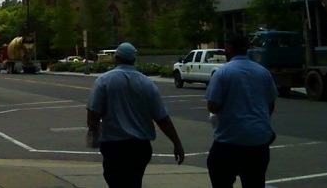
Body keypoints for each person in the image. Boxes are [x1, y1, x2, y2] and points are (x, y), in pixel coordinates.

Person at [86, 42, 185, 188]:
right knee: (134, 181)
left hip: (114, 147)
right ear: (134, 60)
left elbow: (93, 115)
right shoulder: (147, 83)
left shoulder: (104, 81)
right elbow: (162, 118)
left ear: (116, 58)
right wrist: (176, 142)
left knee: (115, 181)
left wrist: (95, 131)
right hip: (140, 147)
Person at [204, 33, 278, 188]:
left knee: (220, 177)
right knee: (254, 181)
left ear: (230, 48)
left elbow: (213, 106)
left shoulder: (223, 72)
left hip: (229, 141)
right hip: (258, 141)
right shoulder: (262, 72)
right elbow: (270, 103)